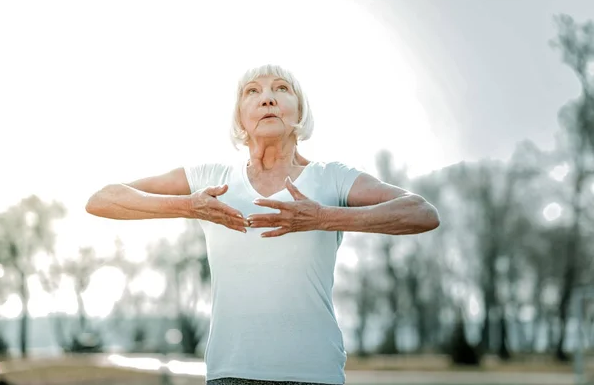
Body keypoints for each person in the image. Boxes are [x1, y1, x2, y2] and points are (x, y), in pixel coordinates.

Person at [86, 64, 440, 385]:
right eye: (252, 91)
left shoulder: (332, 178)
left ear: (300, 111)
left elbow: (422, 212)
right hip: (229, 373)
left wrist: (323, 218)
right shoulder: (211, 178)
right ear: (240, 118)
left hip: (314, 374)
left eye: (281, 89)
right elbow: (102, 199)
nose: (267, 98)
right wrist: (190, 206)